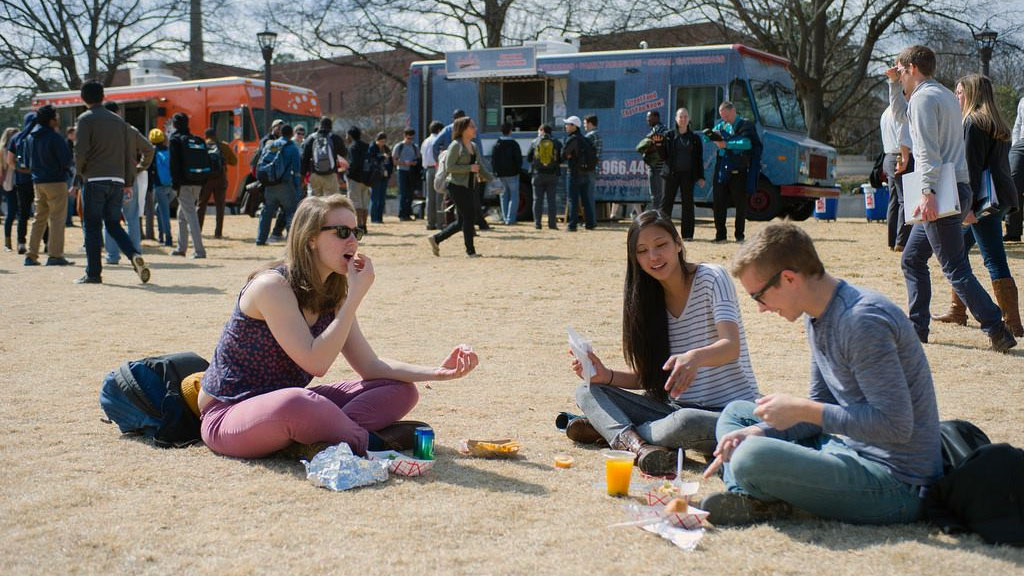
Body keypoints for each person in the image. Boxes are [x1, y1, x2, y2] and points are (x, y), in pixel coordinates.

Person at [198, 193, 480, 459]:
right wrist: (355, 296)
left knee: (402, 389)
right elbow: (315, 362)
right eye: (342, 232)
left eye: (356, 232)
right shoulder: (273, 286)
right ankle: (373, 444)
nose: (353, 242)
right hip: (228, 413)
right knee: (299, 403)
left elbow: (370, 366)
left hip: (290, 408)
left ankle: (317, 438)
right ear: (310, 239)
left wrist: (440, 372)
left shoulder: (333, 293)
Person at [698, 223, 942, 526]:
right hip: (846, 449)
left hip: (895, 483)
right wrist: (760, 431)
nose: (760, 309)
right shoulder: (818, 315)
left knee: (751, 456)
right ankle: (750, 495)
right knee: (738, 414)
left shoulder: (862, 321)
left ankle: (752, 490)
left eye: (758, 297)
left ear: (789, 279)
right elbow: (821, 405)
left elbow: (895, 426)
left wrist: (800, 410)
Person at [565, 210, 759, 475]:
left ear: (678, 244)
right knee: (586, 391)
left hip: (724, 415)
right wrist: (606, 375)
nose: (654, 257)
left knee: (685, 422)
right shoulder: (646, 299)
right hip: (669, 410)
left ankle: (612, 430)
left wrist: (695, 357)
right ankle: (639, 447)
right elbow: (655, 379)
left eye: (661, 245)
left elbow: (730, 346)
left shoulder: (713, 278)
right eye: (642, 251)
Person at [886, 45, 1016, 351]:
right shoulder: (943, 95)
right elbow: (901, 117)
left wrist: (928, 191)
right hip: (952, 187)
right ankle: (917, 328)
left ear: (914, 69)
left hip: (938, 190)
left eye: (902, 71)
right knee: (912, 259)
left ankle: (997, 328)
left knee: (955, 267)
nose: (900, 76)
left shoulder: (923, 99)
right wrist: (894, 84)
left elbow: (927, 150)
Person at [932, 74, 1021, 337]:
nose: (956, 97)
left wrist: (966, 207)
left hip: (982, 204)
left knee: (992, 260)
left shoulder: (973, 123)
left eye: (960, 92)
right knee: (956, 253)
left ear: (972, 93)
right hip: (998, 198)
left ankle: (1012, 323)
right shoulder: (997, 123)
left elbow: (971, 168)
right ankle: (957, 310)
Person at [73, 81, 150, 284]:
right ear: (103, 96)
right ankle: (133, 254)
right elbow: (127, 154)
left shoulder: (85, 119)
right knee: (114, 224)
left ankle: (93, 273)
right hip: (117, 179)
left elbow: (80, 151)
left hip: (94, 178)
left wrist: (80, 171)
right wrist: (128, 180)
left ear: (83, 98)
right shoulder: (118, 122)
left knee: (91, 226)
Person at [427, 117, 492, 257]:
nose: (475, 129)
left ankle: (436, 239)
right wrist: (469, 168)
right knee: (469, 217)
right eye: (472, 126)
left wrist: (493, 179)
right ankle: (470, 251)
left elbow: (479, 167)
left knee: (462, 221)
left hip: (470, 186)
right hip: (456, 186)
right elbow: (450, 167)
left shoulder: (473, 146)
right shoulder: (455, 145)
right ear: (463, 129)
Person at [101, 101, 154, 266]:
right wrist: (140, 167)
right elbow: (149, 149)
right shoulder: (129, 129)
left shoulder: (100, 132)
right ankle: (135, 252)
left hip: (107, 178)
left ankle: (112, 255)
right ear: (118, 112)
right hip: (129, 179)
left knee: (110, 219)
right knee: (132, 217)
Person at [23, 105, 73, 266]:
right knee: (57, 218)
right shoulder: (54, 137)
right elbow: (66, 160)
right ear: (51, 120)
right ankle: (55, 255)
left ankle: (31, 255)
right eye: (56, 117)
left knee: (39, 218)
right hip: (56, 181)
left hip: (37, 181)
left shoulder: (30, 137)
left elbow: (26, 161)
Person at [710, 101, 760, 243]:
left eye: (726, 115)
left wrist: (727, 144)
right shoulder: (722, 125)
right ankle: (720, 235)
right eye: (722, 116)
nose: (724, 119)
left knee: (740, 202)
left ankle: (739, 235)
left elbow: (747, 143)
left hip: (739, 167)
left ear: (733, 111)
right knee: (719, 201)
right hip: (722, 166)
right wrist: (711, 136)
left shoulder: (746, 125)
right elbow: (708, 136)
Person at [659, 107, 705, 239]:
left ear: (689, 119)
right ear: (676, 119)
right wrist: (658, 146)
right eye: (680, 117)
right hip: (671, 175)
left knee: (688, 205)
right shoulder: (669, 136)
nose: (683, 119)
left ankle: (688, 234)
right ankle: (663, 233)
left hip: (688, 175)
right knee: (666, 204)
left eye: (685, 116)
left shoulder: (695, 138)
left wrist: (700, 176)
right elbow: (663, 156)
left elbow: (698, 159)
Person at [168, 112, 207, 258]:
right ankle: (181, 248)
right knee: (182, 215)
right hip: (197, 182)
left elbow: (174, 164)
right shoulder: (195, 139)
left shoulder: (175, 140)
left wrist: (175, 184)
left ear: (174, 124)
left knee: (190, 215)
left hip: (183, 183)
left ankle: (199, 251)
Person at [256, 124, 301, 246]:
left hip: (270, 184)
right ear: (291, 134)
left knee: (267, 211)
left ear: (281, 133)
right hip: (285, 184)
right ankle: (291, 242)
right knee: (290, 211)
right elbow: (296, 170)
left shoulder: (272, 145)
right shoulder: (292, 148)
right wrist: (297, 188)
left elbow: (262, 161)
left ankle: (260, 239)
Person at [880, 102, 913, 250]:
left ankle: (892, 240)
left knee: (894, 201)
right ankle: (902, 241)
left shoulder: (886, 112)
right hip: (901, 156)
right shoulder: (902, 109)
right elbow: (903, 137)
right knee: (905, 200)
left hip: (889, 156)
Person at [198, 127, 238, 239]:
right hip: (220, 179)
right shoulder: (223, 146)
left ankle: (198, 231)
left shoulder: (202, 146)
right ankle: (218, 233)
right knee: (220, 206)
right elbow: (234, 162)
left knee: (201, 204)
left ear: (205, 136)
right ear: (216, 135)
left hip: (206, 180)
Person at [5, 113, 36, 255]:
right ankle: (46, 242)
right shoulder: (39, 135)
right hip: (38, 179)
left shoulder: (16, 138)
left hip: (22, 180)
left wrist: (19, 169)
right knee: (42, 212)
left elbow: (9, 160)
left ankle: (21, 243)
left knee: (22, 213)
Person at [561, 116, 596, 231]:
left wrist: (569, 156)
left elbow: (564, 155)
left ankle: (572, 225)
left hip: (574, 173)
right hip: (586, 172)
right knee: (586, 199)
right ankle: (590, 223)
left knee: (573, 199)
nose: (566, 126)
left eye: (568, 124)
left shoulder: (572, 139)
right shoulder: (585, 139)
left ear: (574, 126)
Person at [527, 123, 562, 230]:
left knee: (537, 200)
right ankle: (552, 224)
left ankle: (537, 223)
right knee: (551, 200)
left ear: (541, 130)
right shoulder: (556, 142)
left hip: (538, 174)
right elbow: (561, 159)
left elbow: (529, 158)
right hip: (552, 175)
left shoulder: (535, 142)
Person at [302, 116, 347, 198]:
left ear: (320, 125)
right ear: (331, 126)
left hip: (315, 174)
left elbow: (304, 158)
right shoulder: (334, 138)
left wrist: (302, 176)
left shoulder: (311, 138)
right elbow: (343, 153)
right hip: (331, 174)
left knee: (316, 202)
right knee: (332, 202)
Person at [491, 123, 522, 225]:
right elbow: (518, 160)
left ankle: (504, 218)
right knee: (514, 196)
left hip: (500, 174)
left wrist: (495, 172)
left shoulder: (497, 144)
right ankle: (510, 219)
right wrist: (518, 170)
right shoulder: (514, 144)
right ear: (510, 131)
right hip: (513, 173)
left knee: (503, 196)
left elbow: (493, 160)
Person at [147, 129, 173, 247]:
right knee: (159, 209)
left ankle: (168, 237)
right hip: (171, 185)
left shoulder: (152, 153)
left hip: (159, 185)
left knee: (164, 210)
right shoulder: (169, 151)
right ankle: (161, 234)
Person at [640, 110, 670, 210]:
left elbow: (658, 145)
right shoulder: (659, 129)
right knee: (658, 194)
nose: (647, 120)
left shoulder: (659, 130)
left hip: (657, 167)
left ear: (656, 118)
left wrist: (646, 149)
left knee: (656, 194)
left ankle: (657, 215)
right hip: (657, 167)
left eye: (649, 117)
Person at [344, 126, 372, 233]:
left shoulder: (352, 147)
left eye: (347, 135)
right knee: (365, 204)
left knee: (356, 204)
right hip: (367, 179)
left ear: (350, 136)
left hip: (355, 179)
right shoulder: (366, 146)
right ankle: (364, 226)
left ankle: (359, 225)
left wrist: (347, 173)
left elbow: (354, 164)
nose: (346, 137)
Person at [392, 128, 420, 221]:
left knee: (410, 194)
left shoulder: (415, 147)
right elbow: (394, 161)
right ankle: (402, 214)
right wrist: (404, 163)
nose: (410, 140)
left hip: (412, 172)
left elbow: (418, 160)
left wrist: (413, 163)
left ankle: (408, 213)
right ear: (405, 136)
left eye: (412, 138)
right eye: (408, 138)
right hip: (402, 171)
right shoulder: (399, 146)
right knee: (403, 193)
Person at [1007, 95, 1024, 242]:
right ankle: (1013, 231)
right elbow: (1018, 125)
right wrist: (1015, 146)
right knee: (1013, 181)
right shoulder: (1023, 100)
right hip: (1021, 145)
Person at [421, 121, 444, 230]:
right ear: (439, 130)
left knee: (429, 197)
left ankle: (430, 222)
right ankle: (440, 222)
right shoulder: (439, 140)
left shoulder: (425, 141)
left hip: (428, 169)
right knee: (440, 196)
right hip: (438, 168)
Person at [368, 132, 393, 225]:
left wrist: (389, 173)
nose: (382, 143)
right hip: (376, 176)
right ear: (377, 140)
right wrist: (382, 157)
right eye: (381, 141)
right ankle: (374, 218)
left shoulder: (386, 149)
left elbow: (390, 162)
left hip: (385, 176)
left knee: (382, 198)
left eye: (384, 141)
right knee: (375, 198)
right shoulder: (372, 148)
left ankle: (380, 217)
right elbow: (371, 160)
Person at [1, 126, 17, 252]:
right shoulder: (3, 150)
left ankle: (13, 242)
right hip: (9, 182)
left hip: (12, 182)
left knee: (15, 214)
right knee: (11, 213)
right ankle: (7, 242)